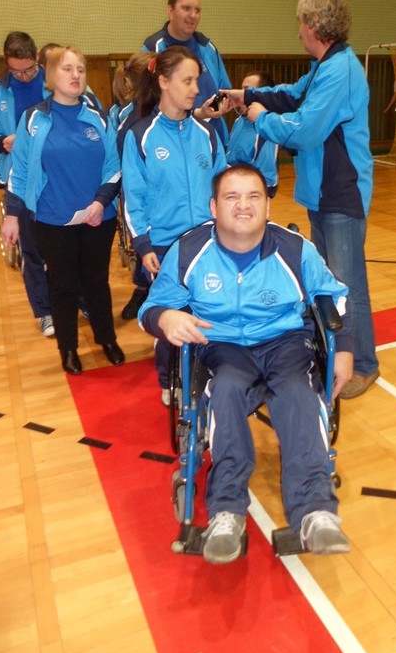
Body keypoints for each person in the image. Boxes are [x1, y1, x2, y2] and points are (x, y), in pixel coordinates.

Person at [138, 164, 353, 564]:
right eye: (232, 197)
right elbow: (152, 307)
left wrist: (345, 349)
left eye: (254, 196)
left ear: (268, 206)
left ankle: (315, 513)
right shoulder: (189, 251)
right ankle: (226, 513)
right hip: (222, 347)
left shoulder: (295, 249)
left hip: (285, 343)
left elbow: (335, 296)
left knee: (298, 394)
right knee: (226, 390)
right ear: (214, 207)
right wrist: (165, 317)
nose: (243, 205)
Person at [224, 0, 379, 399]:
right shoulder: (325, 67)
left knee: (347, 284)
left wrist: (260, 118)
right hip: (322, 194)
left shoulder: (341, 70)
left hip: (341, 194)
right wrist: (246, 96)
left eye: (301, 24)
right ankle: (336, 353)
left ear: (314, 26)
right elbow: (291, 94)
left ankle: (364, 364)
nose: (298, 32)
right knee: (327, 281)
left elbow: (305, 129)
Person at [1, 46, 124, 376]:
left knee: (96, 282)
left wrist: (100, 202)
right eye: (67, 69)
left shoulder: (99, 118)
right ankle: (68, 348)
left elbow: (114, 167)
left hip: (99, 218)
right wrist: (12, 215)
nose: (75, 75)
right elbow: (20, 170)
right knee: (62, 285)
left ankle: (106, 339)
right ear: (51, 75)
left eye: (80, 69)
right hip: (52, 221)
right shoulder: (34, 119)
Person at [122, 46, 227, 401]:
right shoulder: (141, 135)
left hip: (209, 243)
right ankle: (170, 380)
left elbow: (223, 185)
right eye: (187, 81)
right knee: (172, 317)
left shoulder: (207, 134)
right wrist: (143, 245)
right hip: (165, 248)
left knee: (208, 312)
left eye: (197, 80)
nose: (196, 88)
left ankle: (208, 372)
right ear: (164, 82)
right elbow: (133, 199)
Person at [0, 31, 54, 337]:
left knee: (64, 247)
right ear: (6, 62)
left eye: (29, 70)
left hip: (56, 177)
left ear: (37, 57)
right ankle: (44, 311)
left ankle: (76, 299)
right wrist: (4, 142)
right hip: (19, 180)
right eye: (16, 71)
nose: (23, 76)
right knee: (32, 251)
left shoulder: (55, 79)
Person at [141, 0, 231, 144]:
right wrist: (198, 114)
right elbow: (148, 103)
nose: (193, 15)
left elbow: (225, 91)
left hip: (213, 140)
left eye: (197, 10)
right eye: (186, 8)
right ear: (170, 10)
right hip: (171, 143)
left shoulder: (207, 47)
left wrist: (213, 110)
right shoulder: (153, 48)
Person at [109, 52, 155, 320]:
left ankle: (150, 290)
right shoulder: (128, 117)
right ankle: (143, 289)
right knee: (144, 242)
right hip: (138, 192)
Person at [226, 70, 279, 197]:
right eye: (242, 89)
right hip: (229, 187)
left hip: (246, 196)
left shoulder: (266, 131)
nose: (241, 94)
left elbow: (268, 182)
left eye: (247, 90)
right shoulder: (240, 120)